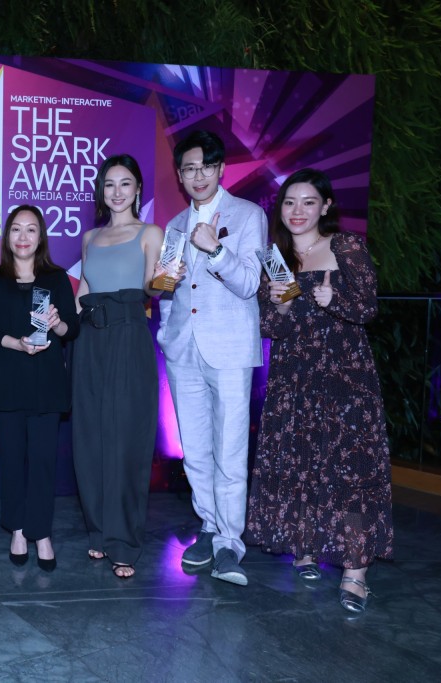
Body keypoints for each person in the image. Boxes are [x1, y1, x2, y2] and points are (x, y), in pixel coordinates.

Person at [246, 168, 393, 613]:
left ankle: (355, 571)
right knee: (301, 460)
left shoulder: (345, 246)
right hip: (295, 377)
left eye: (308, 202)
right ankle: (304, 545)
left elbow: (368, 308)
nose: (298, 211)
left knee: (351, 471)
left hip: (346, 378)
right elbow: (268, 327)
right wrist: (280, 306)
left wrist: (337, 302)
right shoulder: (276, 258)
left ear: (325, 206)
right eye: (290, 202)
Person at [156, 130, 266, 586]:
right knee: (196, 448)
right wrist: (166, 326)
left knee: (230, 447)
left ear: (221, 169)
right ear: (180, 176)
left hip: (229, 348)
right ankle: (208, 525)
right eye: (188, 168)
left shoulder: (248, 215)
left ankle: (229, 543)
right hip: (183, 348)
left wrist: (215, 250)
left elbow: (249, 283)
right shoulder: (174, 226)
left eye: (205, 166)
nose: (197, 176)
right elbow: (163, 286)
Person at [73, 154, 165, 579]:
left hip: (129, 336)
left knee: (126, 438)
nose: (116, 191)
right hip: (90, 339)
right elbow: (84, 292)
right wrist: (52, 327)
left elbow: (151, 287)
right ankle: (99, 533)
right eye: (109, 184)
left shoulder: (151, 232)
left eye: (125, 183)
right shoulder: (90, 236)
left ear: (138, 189)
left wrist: (168, 278)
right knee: (90, 436)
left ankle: (124, 540)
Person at [0, 205, 79, 572]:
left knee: (43, 461)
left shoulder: (56, 277)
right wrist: (16, 343)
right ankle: (18, 529)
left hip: (46, 383)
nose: (22, 237)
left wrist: (57, 324)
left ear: (41, 237)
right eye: (16, 229)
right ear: (7, 237)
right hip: (7, 381)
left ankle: (41, 532)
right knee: (12, 459)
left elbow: (73, 329)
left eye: (30, 230)